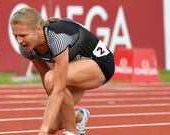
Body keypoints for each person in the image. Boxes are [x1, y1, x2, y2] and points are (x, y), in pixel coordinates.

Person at [10, 7, 115, 135]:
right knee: (53, 126)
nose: (19, 41)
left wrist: (42, 130)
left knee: (52, 82)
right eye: (15, 35)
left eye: (23, 35)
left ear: (38, 28)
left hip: (101, 65)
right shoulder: (27, 49)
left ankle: (72, 132)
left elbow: (57, 86)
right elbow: (46, 81)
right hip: (75, 69)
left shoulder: (56, 38)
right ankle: (79, 117)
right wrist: (57, 113)